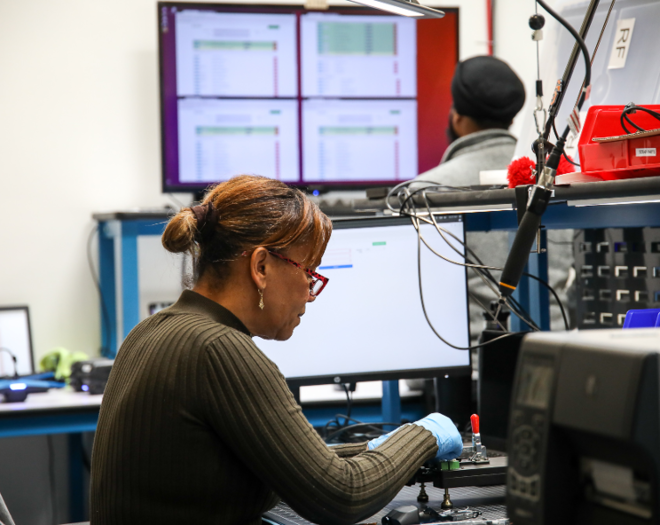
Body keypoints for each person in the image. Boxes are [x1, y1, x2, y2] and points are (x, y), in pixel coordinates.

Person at [90, 175, 463, 525]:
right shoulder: (220, 349)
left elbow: (281, 465)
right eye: (309, 272)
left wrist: (379, 449)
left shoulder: (151, 331)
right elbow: (342, 495)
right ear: (261, 266)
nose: (310, 294)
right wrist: (426, 433)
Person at [411, 56, 573, 338]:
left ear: (457, 118)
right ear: (511, 119)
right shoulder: (551, 179)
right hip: (555, 361)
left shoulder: (423, 191)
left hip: (470, 370)